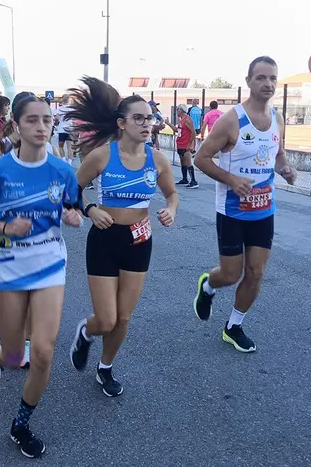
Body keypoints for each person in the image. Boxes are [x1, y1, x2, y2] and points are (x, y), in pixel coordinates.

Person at [0, 93, 82, 459]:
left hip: (49, 264)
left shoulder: (62, 170)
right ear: (17, 123)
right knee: (14, 357)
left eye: (47, 120)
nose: (42, 126)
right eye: (33, 120)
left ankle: (21, 424)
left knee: (42, 353)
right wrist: (3, 226)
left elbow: (71, 205)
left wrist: (74, 215)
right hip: (7, 266)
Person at [65, 77, 179, 396]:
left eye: (151, 117)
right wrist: (89, 209)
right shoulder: (102, 156)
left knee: (123, 318)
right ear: (122, 123)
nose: (147, 124)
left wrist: (171, 208)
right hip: (104, 240)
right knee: (105, 319)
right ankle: (85, 333)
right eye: (139, 118)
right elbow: (71, 190)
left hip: (139, 240)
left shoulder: (157, 160)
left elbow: (171, 193)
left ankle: (105, 368)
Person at [192, 56, 298, 352]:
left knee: (256, 273)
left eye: (273, 78)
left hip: (264, 210)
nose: (268, 84)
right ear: (249, 81)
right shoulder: (231, 120)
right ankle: (208, 286)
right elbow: (201, 157)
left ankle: (234, 326)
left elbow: (278, 154)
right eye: (261, 78)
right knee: (231, 274)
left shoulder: (277, 118)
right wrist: (231, 179)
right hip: (233, 210)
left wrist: (286, 169)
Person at [175, 104, 198, 188]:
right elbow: (177, 130)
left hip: (185, 144)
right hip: (180, 143)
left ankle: (194, 181)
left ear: (181, 110)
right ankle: (185, 179)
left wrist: (190, 144)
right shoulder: (181, 120)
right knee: (182, 162)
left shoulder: (187, 119)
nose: (176, 111)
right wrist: (168, 124)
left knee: (188, 162)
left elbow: (193, 132)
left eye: (177, 109)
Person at [54, 95, 74, 164]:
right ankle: (70, 163)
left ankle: (64, 161)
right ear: (69, 100)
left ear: (62, 100)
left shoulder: (60, 108)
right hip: (70, 129)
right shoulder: (72, 109)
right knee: (70, 147)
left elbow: (56, 118)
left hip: (62, 129)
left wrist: (56, 122)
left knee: (61, 146)